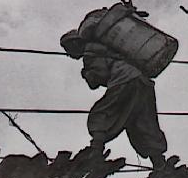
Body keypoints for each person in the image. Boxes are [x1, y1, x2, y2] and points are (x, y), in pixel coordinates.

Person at [61, 29, 168, 169]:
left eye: (68, 48)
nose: (68, 54)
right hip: (142, 82)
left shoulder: (90, 51)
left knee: (100, 113)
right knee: (142, 122)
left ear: (75, 42)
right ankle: (159, 163)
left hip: (123, 81)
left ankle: (96, 152)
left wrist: (87, 74)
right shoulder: (105, 47)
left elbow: (99, 75)